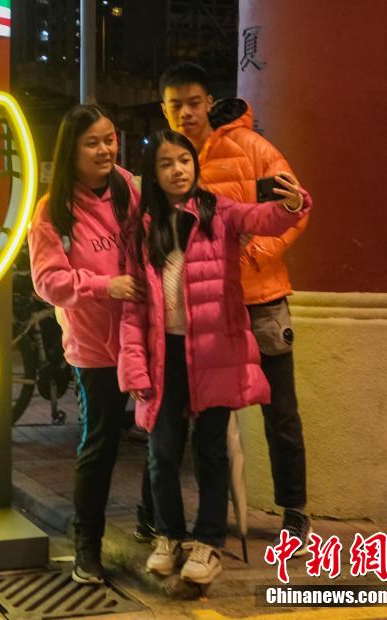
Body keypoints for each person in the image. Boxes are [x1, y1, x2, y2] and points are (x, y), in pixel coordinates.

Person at [118, 129, 310, 585]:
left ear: (195, 165)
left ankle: (208, 544)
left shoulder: (218, 212)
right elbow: (133, 306)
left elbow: (263, 219)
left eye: (183, 160)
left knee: (210, 451)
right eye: (166, 164)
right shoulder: (142, 228)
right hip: (164, 356)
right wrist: (133, 364)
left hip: (214, 355)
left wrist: (292, 205)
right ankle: (169, 535)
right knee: (162, 451)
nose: (178, 170)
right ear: (154, 173)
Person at [158, 61, 312, 548]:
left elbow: (292, 209)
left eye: (194, 103)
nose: (186, 113)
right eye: (175, 105)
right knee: (185, 409)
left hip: (260, 300)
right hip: (203, 312)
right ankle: (164, 518)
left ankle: (294, 510)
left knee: (280, 408)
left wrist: (250, 256)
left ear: (209, 101)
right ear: (164, 111)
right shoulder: (170, 162)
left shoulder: (253, 149)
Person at [28, 104, 144, 584]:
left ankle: (156, 530)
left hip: (144, 336)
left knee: (163, 439)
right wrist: (105, 286)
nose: (104, 150)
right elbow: (48, 281)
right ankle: (86, 548)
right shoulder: (52, 209)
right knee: (100, 446)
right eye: (92, 142)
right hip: (95, 347)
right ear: (71, 150)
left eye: (110, 139)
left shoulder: (128, 189)